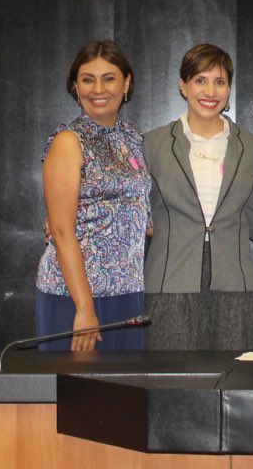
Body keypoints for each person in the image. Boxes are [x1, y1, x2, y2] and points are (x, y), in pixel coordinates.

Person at [142, 43, 253, 350]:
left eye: (219, 81)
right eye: (200, 80)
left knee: (236, 373)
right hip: (170, 280)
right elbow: (132, 207)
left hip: (236, 283)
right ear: (182, 86)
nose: (210, 91)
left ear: (229, 89)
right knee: (171, 375)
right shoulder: (151, 144)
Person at [35, 40, 150, 351]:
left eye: (109, 78)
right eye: (88, 79)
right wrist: (84, 307)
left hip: (127, 291)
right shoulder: (68, 141)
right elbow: (61, 231)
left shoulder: (135, 139)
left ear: (126, 83)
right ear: (76, 86)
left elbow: (145, 217)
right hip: (76, 295)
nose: (98, 89)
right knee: (75, 383)